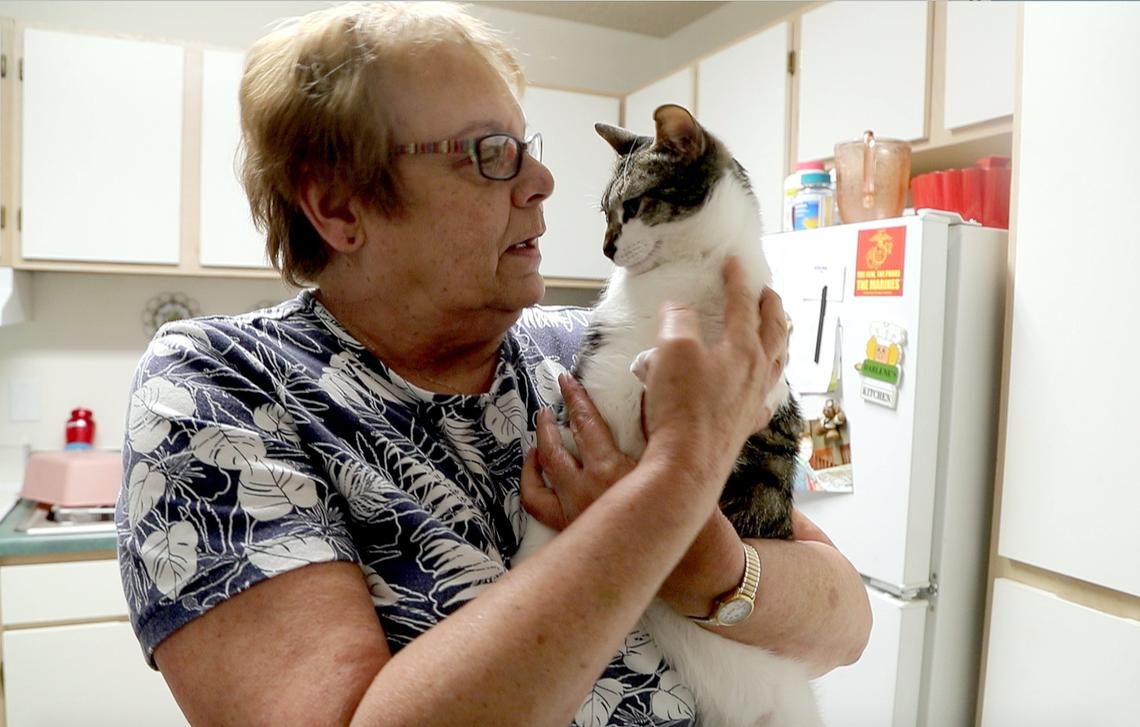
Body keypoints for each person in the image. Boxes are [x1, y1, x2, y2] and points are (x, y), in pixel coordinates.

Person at [116, 3, 871, 725]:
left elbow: (847, 621)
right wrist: (677, 476)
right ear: (341, 208)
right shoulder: (219, 389)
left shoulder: (583, 344)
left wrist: (707, 564)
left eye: (526, 147)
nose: (542, 182)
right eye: (489, 154)